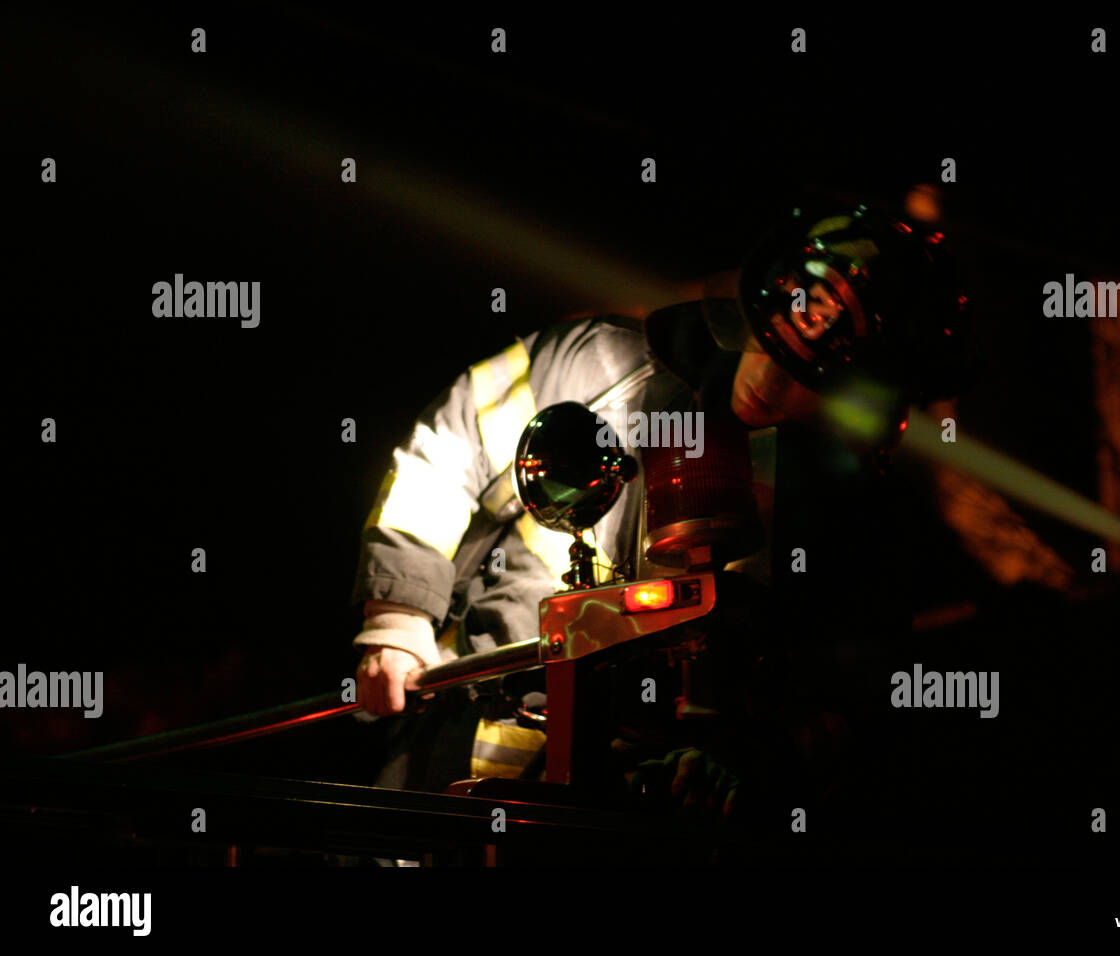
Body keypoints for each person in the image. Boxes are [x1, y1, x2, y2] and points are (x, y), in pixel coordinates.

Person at [348, 202, 975, 821]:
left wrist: (749, 766)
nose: (767, 381)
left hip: (629, 826)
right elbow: (444, 450)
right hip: (443, 763)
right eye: (769, 340)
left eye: (806, 379)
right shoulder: (597, 364)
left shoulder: (850, 528)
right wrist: (400, 616)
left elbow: (852, 702)